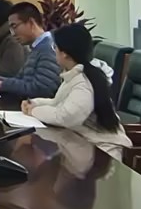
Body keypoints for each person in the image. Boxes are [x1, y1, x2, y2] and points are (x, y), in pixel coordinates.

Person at [21, 22, 131, 160]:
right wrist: (34, 103)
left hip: (103, 151)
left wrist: (33, 111)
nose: (54, 51)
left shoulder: (84, 83)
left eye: (55, 47)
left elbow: (66, 117)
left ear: (65, 54)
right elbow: (58, 103)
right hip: (84, 145)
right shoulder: (76, 74)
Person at [0, 1, 61, 100]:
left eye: (14, 26)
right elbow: (19, 80)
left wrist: (4, 85)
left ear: (31, 23)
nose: (13, 33)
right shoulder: (37, 48)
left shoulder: (48, 48)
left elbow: (43, 89)